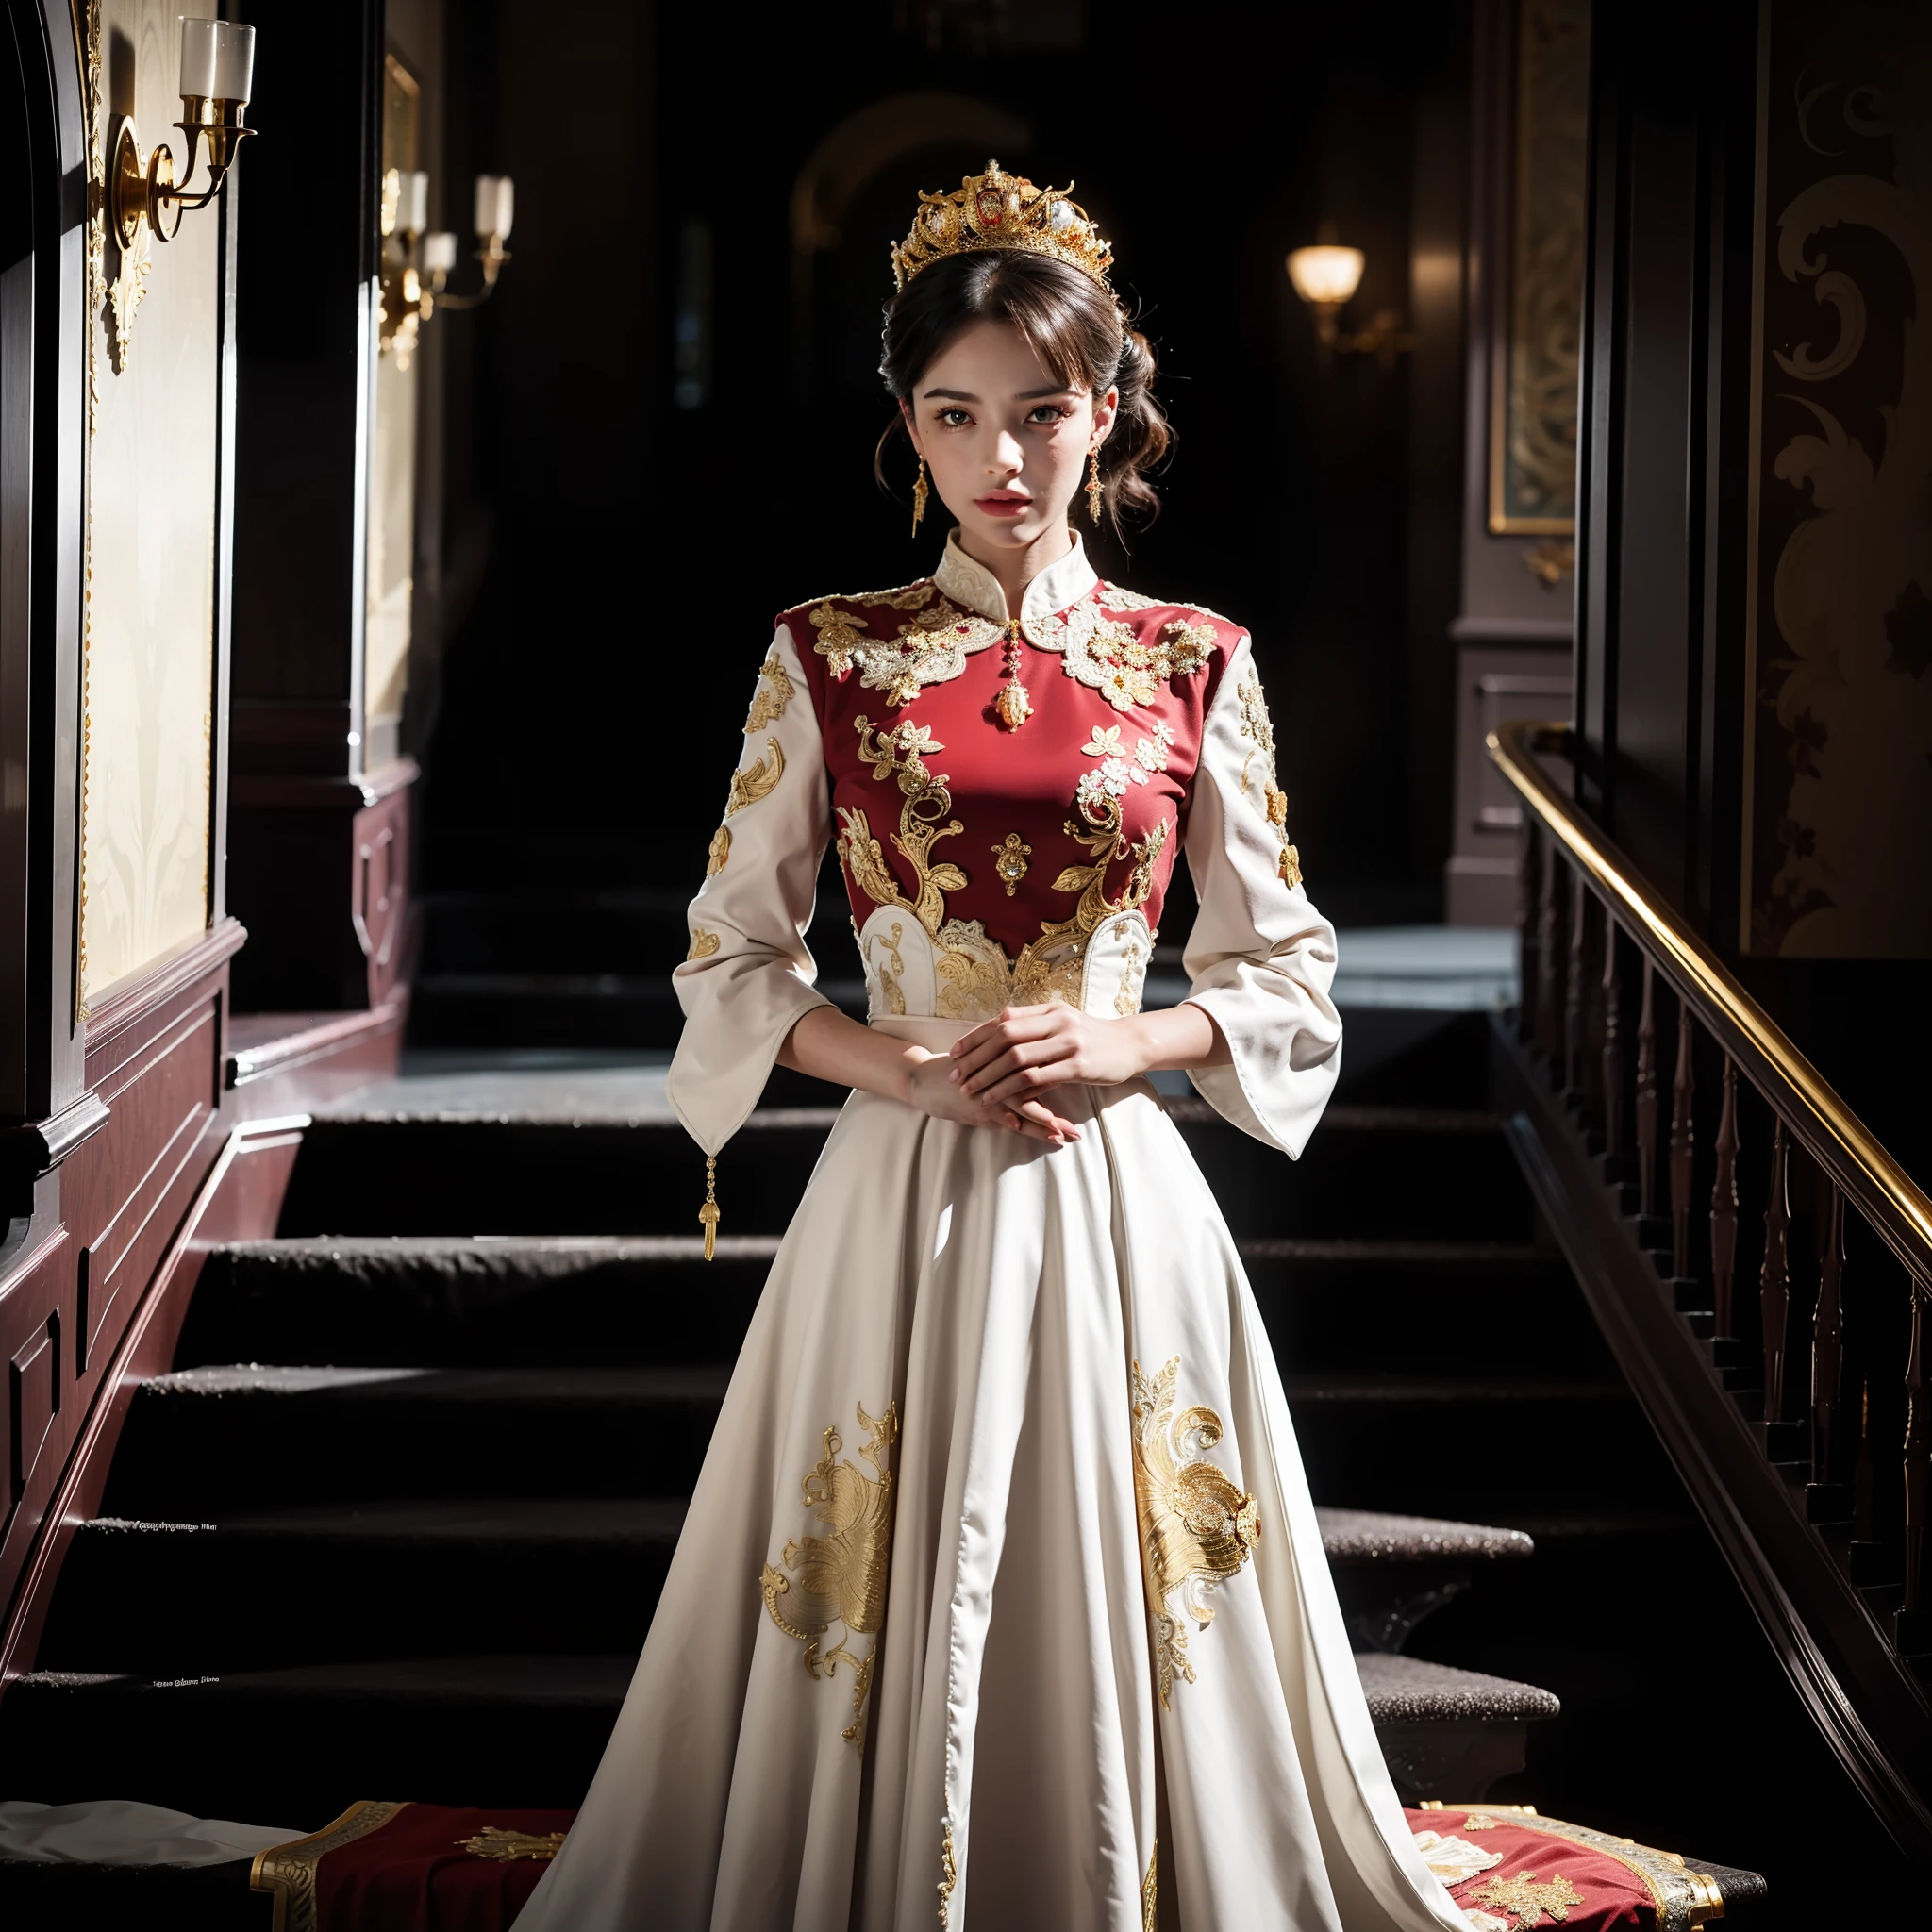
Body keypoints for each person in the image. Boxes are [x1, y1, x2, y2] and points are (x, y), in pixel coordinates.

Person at [515, 161, 1465, 1932]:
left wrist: (1137, 1040)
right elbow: (728, 959)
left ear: (1106, 414)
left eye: (1040, 414)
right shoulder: (829, 656)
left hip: (1115, 1191)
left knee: (1113, 1575)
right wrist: (897, 1065)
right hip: (903, 1188)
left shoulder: (1194, 663)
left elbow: (1287, 978)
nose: (1002, 458)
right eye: (957, 417)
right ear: (910, 428)